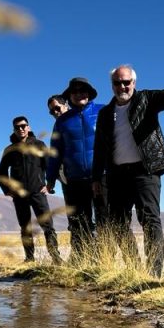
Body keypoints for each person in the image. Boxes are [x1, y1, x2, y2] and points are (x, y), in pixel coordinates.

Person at [92, 62, 164, 276]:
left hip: (145, 171)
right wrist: (96, 178)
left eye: (126, 82)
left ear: (134, 83)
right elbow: (99, 147)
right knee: (118, 222)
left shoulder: (146, 99)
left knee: (149, 219)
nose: (122, 87)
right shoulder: (106, 113)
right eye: (117, 83)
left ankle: (153, 274)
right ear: (112, 85)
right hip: (117, 174)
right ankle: (134, 268)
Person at [46, 77, 107, 260]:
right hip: (75, 179)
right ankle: (81, 261)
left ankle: (105, 260)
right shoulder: (62, 121)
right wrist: (50, 178)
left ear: (89, 93)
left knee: (104, 219)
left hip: (102, 176)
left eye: (83, 90)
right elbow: (55, 151)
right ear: (70, 96)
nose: (79, 94)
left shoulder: (103, 111)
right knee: (80, 222)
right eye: (74, 92)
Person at [0, 116, 62, 264]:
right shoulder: (10, 149)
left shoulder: (39, 144)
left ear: (28, 127)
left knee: (48, 226)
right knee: (25, 227)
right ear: (14, 130)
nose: (21, 129)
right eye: (17, 127)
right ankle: (29, 258)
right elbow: (2, 172)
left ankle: (56, 257)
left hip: (37, 191)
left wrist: (49, 184)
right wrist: (7, 189)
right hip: (19, 195)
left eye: (23, 126)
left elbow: (49, 165)